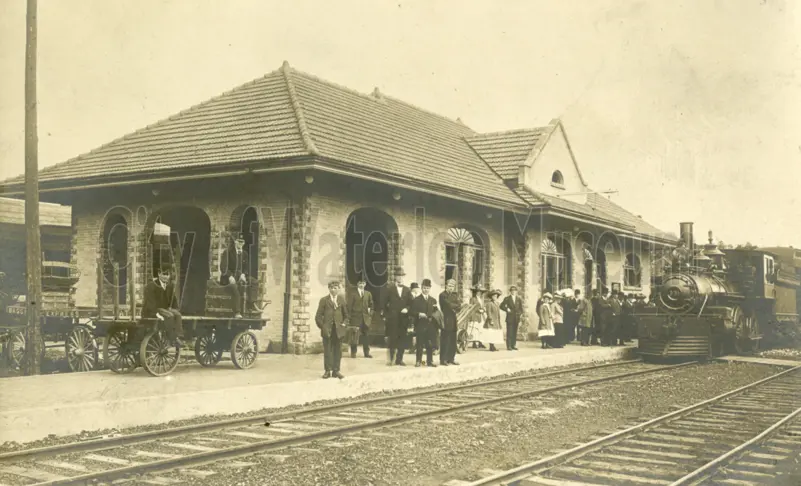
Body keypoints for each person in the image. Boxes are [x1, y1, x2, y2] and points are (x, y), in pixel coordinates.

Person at [142, 265, 184, 346]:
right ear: (159, 274)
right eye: (164, 274)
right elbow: (150, 302)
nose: (166, 276)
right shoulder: (152, 285)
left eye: (167, 274)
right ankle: (171, 338)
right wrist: (156, 314)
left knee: (178, 315)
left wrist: (174, 308)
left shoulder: (169, 286)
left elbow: (173, 299)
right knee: (169, 316)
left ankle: (178, 336)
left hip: (165, 309)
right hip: (153, 310)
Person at [315, 281, 348, 379]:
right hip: (327, 330)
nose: (333, 290)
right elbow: (318, 316)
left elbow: (346, 316)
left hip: (338, 330)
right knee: (328, 351)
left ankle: (336, 371)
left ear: (339, 289)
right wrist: (323, 326)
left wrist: (344, 324)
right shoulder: (324, 300)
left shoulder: (341, 300)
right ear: (329, 289)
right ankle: (327, 371)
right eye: (332, 288)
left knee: (338, 351)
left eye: (336, 288)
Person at [220, 234, 258, 314]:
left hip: (240, 277)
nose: (240, 243)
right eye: (239, 241)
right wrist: (230, 276)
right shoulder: (227, 252)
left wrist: (243, 274)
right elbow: (223, 267)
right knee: (235, 287)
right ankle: (237, 311)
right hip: (227, 278)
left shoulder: (245, 254)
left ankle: (251, 304)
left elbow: (246, 268)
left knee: (254, 282)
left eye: (242, 242)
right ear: (235, 242)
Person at [383, 269, 413, 366]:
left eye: (401, 276)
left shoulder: (407, 290)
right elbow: (384, 303)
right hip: (393, 318)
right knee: (393, 339)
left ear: (403, 277)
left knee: (402, 339)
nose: (400, 277)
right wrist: (387, 315)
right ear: (395, 277)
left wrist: (407, 309)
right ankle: (391, 359)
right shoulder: (389, 288)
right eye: (398, 275)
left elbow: (411, 303)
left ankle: (399, 359)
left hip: (403, 319)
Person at [411, 279, 439, 367]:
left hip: (430, 326)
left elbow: (436, 313)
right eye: (424, 288)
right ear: (421, 288)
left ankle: (429, 361)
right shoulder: (417, 300)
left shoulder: (433, 300)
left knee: (429, 344)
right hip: (420, 325)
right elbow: (412, 312)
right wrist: (419, 314)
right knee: (419, 343)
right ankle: (419, 361)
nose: (425, 290)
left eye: (427, 288)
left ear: (430, 288)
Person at [346, 276, 374, 358]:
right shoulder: (353, 294)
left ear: (365, 284)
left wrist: (370, 315)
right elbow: (349, 306)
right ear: (357, 284)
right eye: (360, 283)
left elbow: (371, 305)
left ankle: (366, 353)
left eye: (363, 283)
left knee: (366, 336)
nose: (362, 285)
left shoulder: (368, 294)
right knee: (354, 335)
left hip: (365, 318)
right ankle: (353, 353)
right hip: (355, 317)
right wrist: (349, 317)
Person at [438, 279, 461, 366]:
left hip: (453, 319)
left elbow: (459, 306)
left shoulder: (454, 295)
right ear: (446, 286)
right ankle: (443, 359)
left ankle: (451, 358)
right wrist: (454, 306)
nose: (451, 288)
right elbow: (448, 305)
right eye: (449, 286)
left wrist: (454, 306)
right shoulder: (442, 295)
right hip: (446, 319)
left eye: (452, 286)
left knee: (453, 340)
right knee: (445, 340)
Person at [500, 286, 524, 351]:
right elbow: (501, 306)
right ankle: (509, 346)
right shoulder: (507, 299)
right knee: (509, 332)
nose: (513, 292)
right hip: (510, 318)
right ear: (510, 292)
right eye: (512, 291)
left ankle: (513, 345)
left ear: (516, 292)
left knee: (514, 332)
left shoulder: (518, 299)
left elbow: (521, 309)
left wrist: (519, 314)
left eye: (514, 291)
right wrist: (507, 309)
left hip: (516, 318)